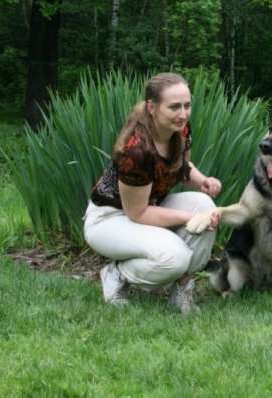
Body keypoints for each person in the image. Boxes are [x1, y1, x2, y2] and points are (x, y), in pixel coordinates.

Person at [83, 72, 221, 313]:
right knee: (174, 257)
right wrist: (188, 218)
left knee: (205, 207)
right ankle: (116, 273)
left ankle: (181, 289)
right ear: (152, 107)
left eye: (187, 105)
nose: (183, 114)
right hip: (110, 218)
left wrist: (203, 181)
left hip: (149, 206)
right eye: (174, 107)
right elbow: (138, 213)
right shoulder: (136, 151)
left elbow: (182, 167)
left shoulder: (180, 130)